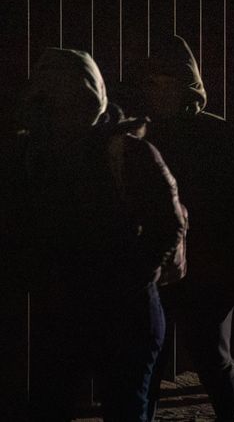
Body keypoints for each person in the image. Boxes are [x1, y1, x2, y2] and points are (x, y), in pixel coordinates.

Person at [13, 48, 187, 421]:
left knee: (119, 408)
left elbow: (168, 224)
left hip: (121, 310)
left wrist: (128, 279)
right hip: (74, 306)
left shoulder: (125, 151)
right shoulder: (36, 152)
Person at [138, 36, 234, 422]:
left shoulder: (217, 135)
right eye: (150, 83)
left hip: (208, 266)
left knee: (210, 356)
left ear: (181, 85)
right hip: (162, 264)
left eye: (161, 83)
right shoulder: (145, 134)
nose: (153, 91)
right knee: (149, 360)